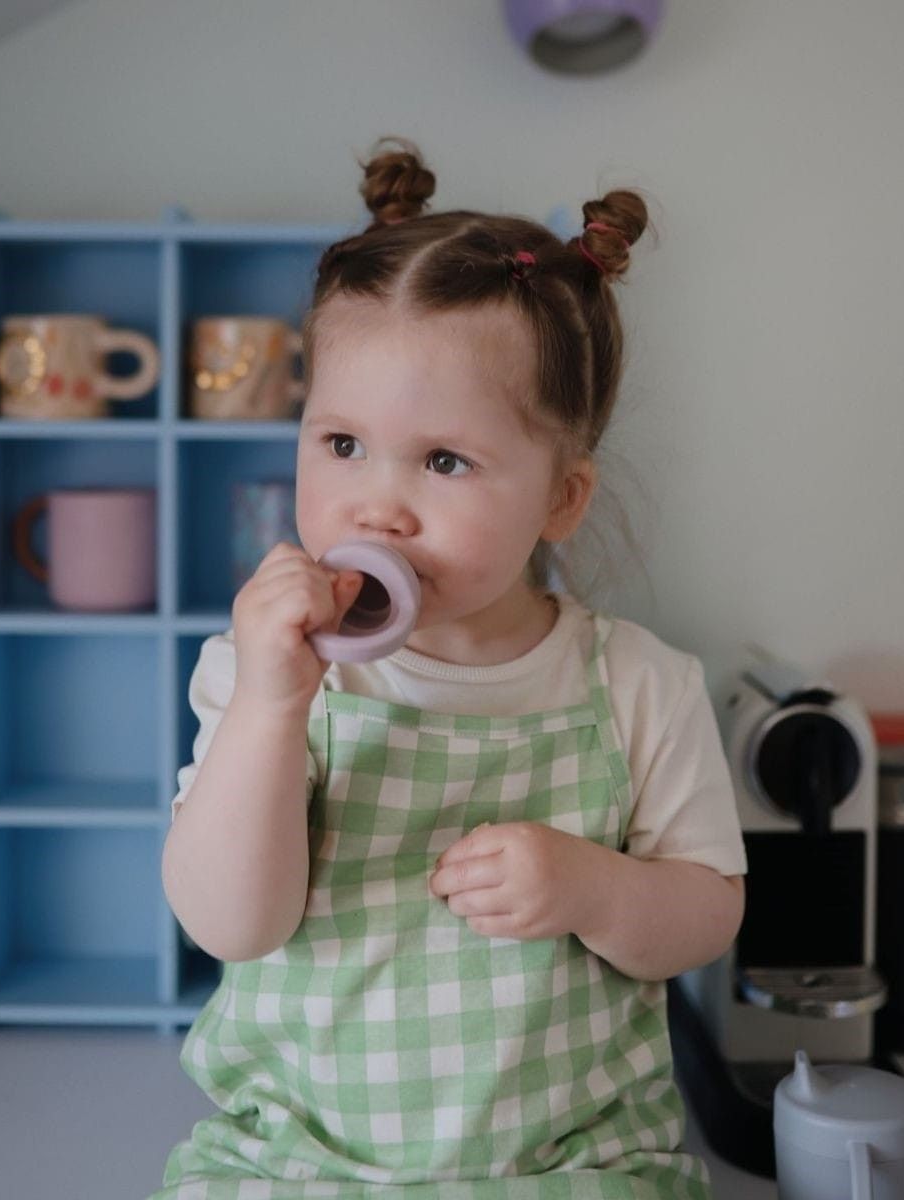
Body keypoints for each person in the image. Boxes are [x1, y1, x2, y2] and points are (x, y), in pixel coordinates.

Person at [153, 140, 746, 1200]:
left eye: (443, 461)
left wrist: (594, 887)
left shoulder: (637, 684)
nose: (377, 503)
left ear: (561, 500)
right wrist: (269, 709)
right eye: (340, 445)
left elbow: (703, 919)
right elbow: (230, 924)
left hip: (571, 1164)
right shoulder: (262, 674)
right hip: (300, 1160)